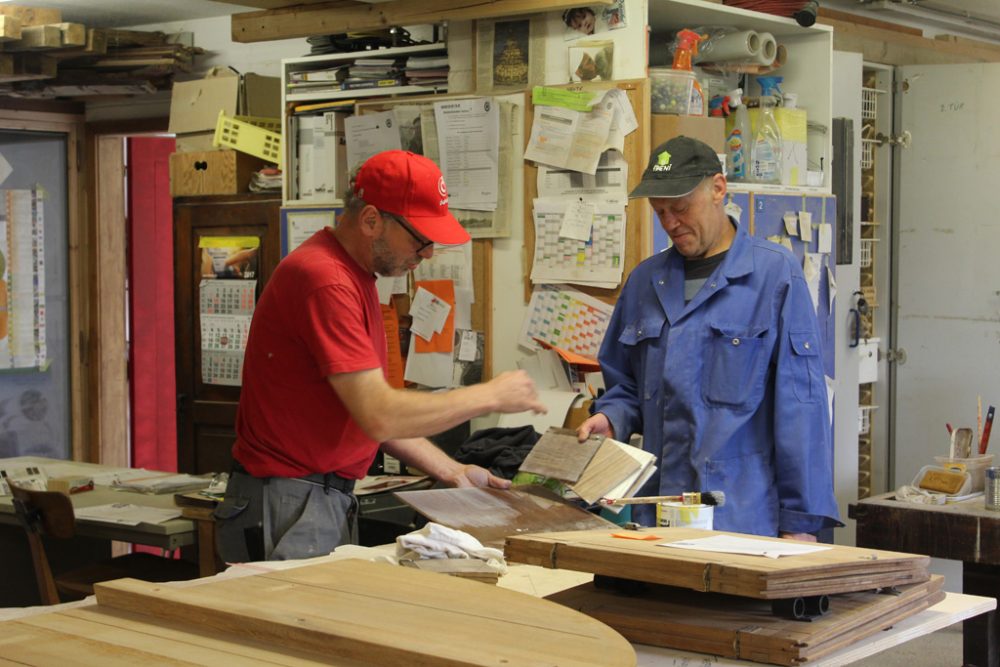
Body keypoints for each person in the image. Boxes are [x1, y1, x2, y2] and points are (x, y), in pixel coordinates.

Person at [215, 149, 547, 562]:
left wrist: (454, 472)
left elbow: (372, 416)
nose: (427, 253)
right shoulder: (326, 281)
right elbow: (380, 413)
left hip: (311, 498)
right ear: (371, 220)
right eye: (420, 238)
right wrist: (491, 396)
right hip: (288, 501)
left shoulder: (355, 279)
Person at [576, 136, 840, 541]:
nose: (670, 223)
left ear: (718, 188)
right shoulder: (645, 281)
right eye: (659, 212)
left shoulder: (774, 277)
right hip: (655, 514)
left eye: (680, 208)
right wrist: (611, 418)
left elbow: (800, 410)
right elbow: (625, 383)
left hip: (740, 518)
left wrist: (800, 523)